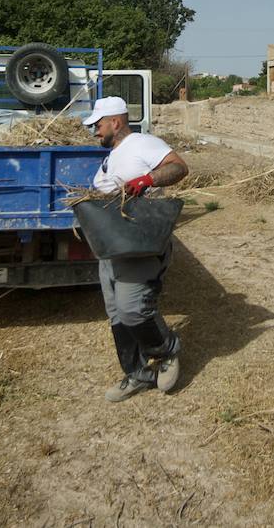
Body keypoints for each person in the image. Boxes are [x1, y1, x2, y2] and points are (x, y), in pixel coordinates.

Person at [82, 96, 189, 402]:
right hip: (110, 247)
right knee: (117, 315)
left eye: (98, 126)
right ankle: (137, 374)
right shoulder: (111, 155)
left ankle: (166, 349)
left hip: (138, 243)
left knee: (133, 309)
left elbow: (179, 167)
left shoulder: (143, 143)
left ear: (116, 122)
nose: (95, 132)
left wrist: (147, 179)